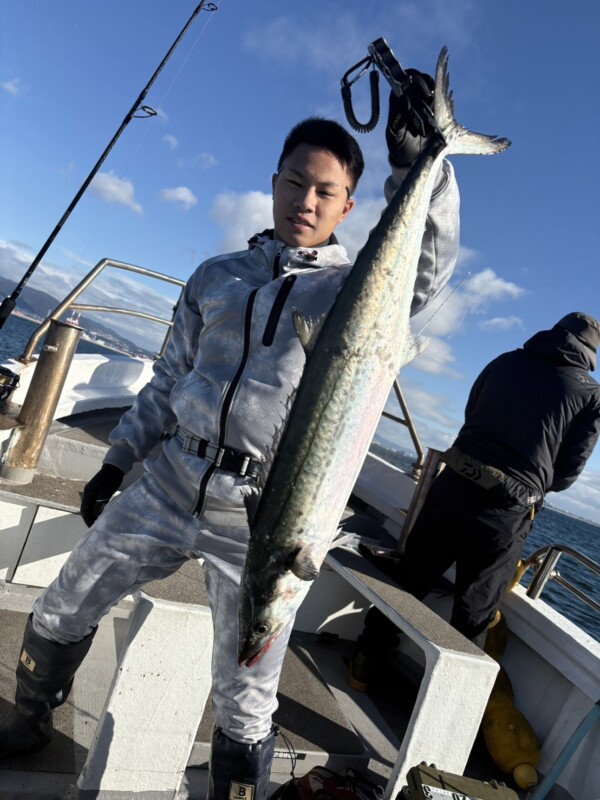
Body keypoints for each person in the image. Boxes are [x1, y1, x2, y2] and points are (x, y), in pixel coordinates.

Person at [0, 72, 460, 799]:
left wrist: (422, 167)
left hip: (260, 512)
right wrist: (116, 462)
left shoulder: (348, 291)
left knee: (247, 688)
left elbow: (425, 274)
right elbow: (167, 378)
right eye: (294, 182)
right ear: (274, 182)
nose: (304, 202)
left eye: (325, 193)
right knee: (63, 603)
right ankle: (28, 722)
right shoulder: (217, 276)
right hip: (168, 478)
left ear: (345, 206)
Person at [348, 311, 600, 692]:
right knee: (474, 613)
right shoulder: (591, 395)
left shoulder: (505, 361)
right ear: (591, 353)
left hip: (452, 484)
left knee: (411, 576)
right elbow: (566, 473)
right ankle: (443, 711)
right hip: (505, 511)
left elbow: (472, 413)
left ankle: (364, 666)